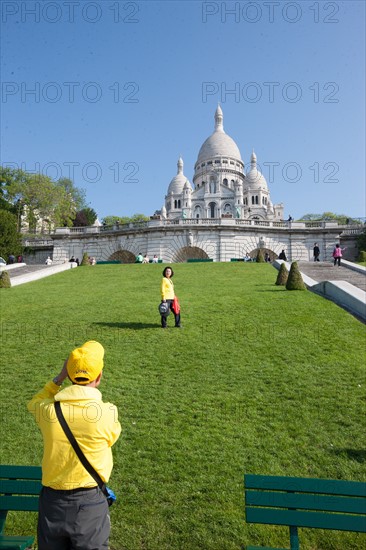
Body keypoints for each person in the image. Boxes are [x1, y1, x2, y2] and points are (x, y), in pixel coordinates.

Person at [27, 341, 121, 550]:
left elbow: (34, 402)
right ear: (99, 377)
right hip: (89, 501)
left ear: (69, 376)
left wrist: (57, 380)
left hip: (52, 501)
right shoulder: (108, 413)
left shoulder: (48, 411)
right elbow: (111, 438)